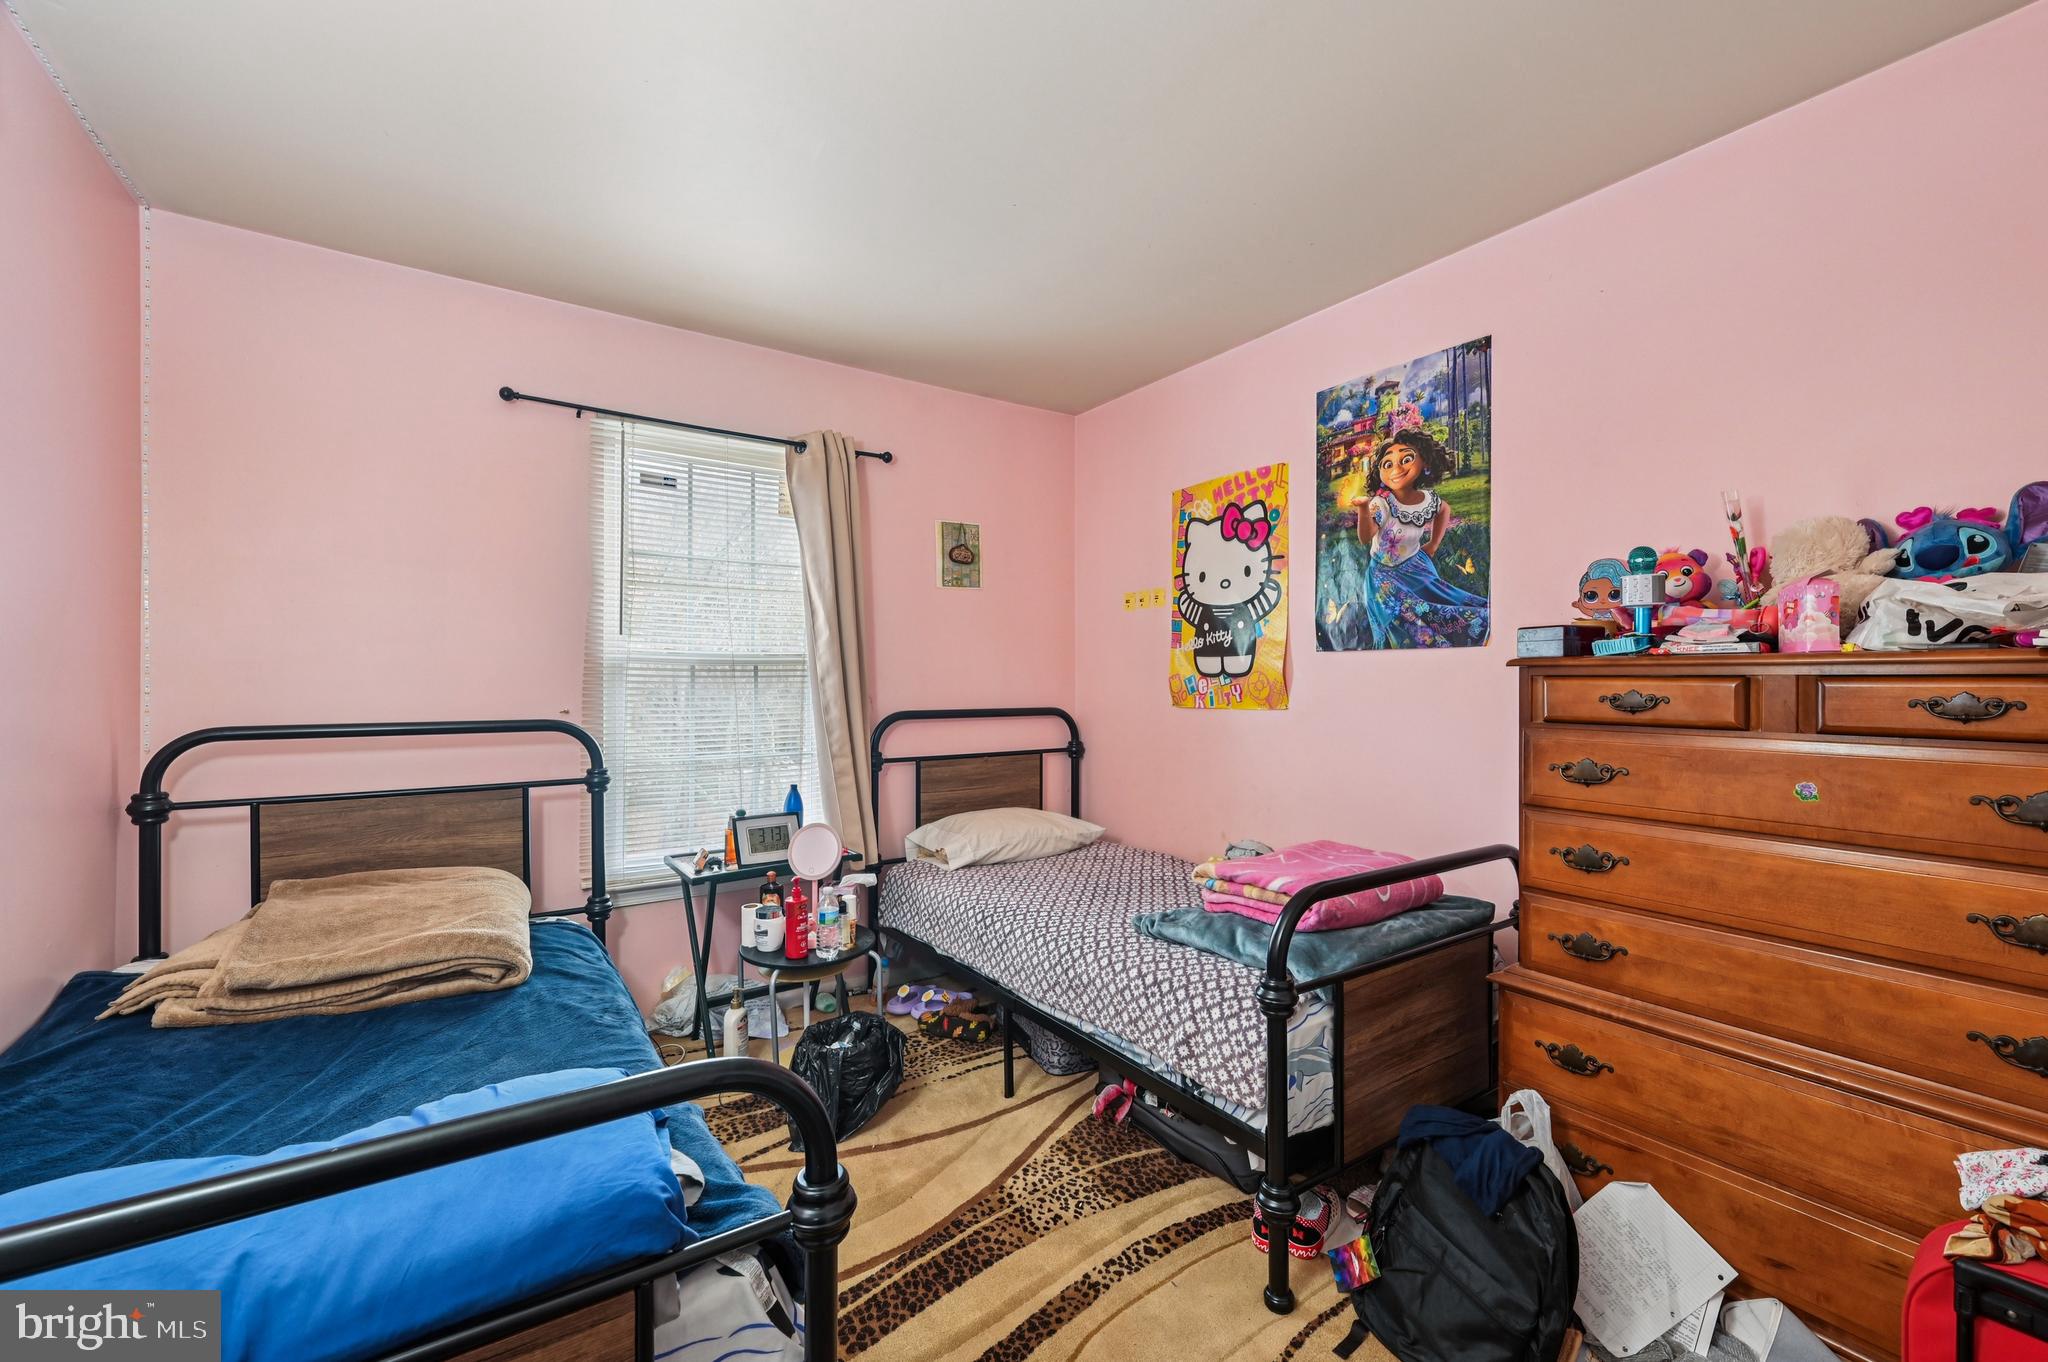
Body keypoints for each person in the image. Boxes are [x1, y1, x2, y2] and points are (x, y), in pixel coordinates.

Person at [1351, 425, 1489, 649]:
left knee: (1440, 602)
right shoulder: (1382, 503)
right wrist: (1364, 510)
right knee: (1404, 619)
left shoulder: (1428, 500)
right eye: (1388, 463)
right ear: (1380, 472)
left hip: (1416, 566)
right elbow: (1365, 537)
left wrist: (1433, 544)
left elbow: (1444, 510)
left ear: (1424, 462)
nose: (1396, 467)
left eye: (1406, 459)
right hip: (1384, 577)